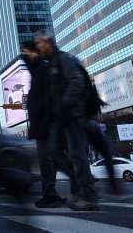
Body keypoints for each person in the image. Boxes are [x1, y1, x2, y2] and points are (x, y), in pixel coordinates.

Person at [33, 29, 100, 211]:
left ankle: (89, 195)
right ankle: (79, 183)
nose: (38, 46)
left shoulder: (64, 59)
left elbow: (77, 81)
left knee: (77, 155)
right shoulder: (52, 63)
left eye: (40, 42)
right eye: (37, 43)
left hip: (72, 115)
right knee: (53, 151)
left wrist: (64, 103)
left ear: (49, 42)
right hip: (60, 118)